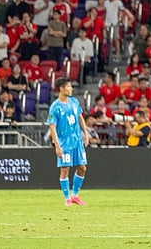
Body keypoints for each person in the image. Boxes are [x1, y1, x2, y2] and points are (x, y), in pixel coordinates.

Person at [46, 78, 89, 206]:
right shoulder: (55, 107)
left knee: (82, 168)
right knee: (65, 169)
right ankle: (67, 198)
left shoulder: (74, 102)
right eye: (69, 87)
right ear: (61, 89)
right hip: (64, 143)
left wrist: (86, 134)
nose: (71, 89)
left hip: (77, 142)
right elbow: (52, 127)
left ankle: (75, 195)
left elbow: (80, 117)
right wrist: (57, 146)